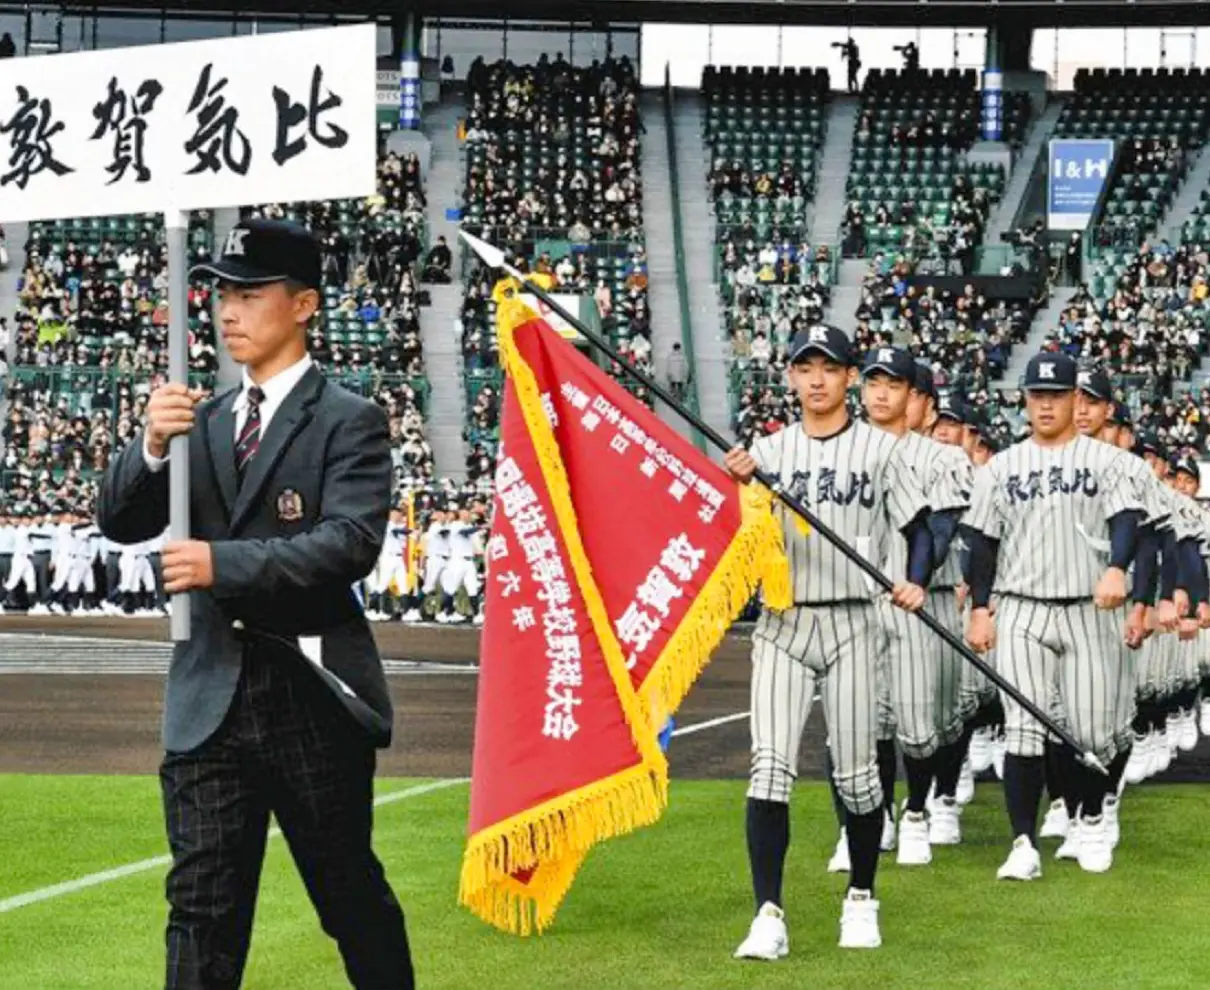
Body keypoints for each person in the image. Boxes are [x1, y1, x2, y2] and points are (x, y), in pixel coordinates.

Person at [96, 218, 416, 990]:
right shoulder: (197, 422)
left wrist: (219, 563)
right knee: (202, 912)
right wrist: (148, 448)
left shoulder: (350, 419)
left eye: (249, 292)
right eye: (221, 293)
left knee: (349, 900)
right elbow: (118, 520)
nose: (227, 310)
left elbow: (347, 546)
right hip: (207, 698)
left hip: (311, 693)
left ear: (303, 303)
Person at [724, 324, 930, 957]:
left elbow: (919, 525)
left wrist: (915, 579)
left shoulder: (881, 450)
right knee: (769, 770)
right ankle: (768, 913)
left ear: (850, 379)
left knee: (859, 775)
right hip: (784, 624)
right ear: (790, 377)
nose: (816, 378)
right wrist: (739, 482)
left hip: (853, 622)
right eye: (804, 367)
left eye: (829, 367)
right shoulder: (767, 452)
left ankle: (861, 896)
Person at [962, 352, 1144, 881]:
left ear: (1074, 400)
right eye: (1037, 395)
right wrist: (980, 608)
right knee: (1022, 727)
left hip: (1088, 609)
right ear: (1024, 399)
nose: (1046, 404)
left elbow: (1126, 519)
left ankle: (1089, 818)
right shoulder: (1001, 466)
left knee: (1091, 729)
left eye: (1057, 395)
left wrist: (1117, 567)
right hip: (1021, 608)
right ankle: (1022, 841)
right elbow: (981, 542)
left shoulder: (1106, 460)